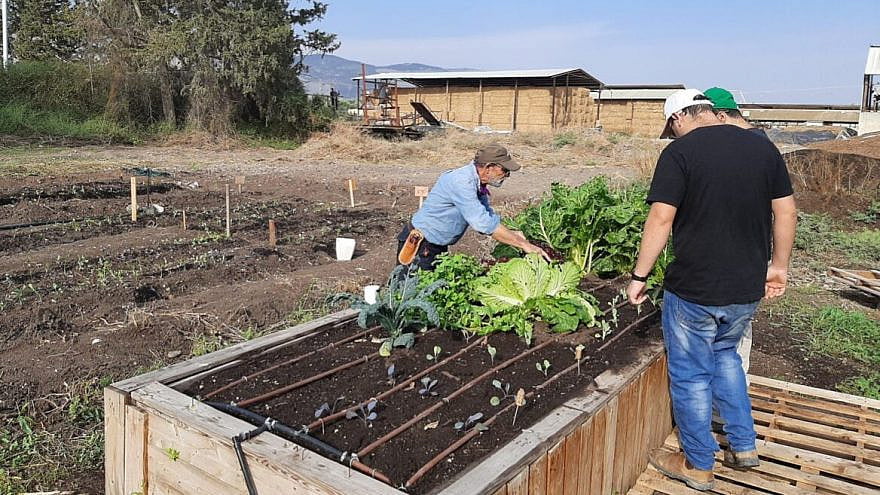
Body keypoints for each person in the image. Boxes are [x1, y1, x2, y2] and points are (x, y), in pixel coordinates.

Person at [627, 89, 797, 491]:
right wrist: (778, 268)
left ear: (679, 118)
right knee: (726, 358)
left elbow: (661, 216)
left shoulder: (680, 153)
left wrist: (639, 276)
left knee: (690, 376)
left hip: (696, 288)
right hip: (745, 286)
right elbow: (786, 211)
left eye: (671, 128)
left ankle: (699, 465)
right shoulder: (762, 148)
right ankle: (744, 446)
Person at [397, 144, 549, 270]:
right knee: (407, 296)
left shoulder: (477, 183)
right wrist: (522, 244)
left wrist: (513, 234)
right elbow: (481, 223)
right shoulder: (462, 182)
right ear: (489, 167)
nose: (507, 175)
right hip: (420, 245)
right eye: (504, 170)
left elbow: (487, 215)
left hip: (434, 246)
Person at [703, 86, 768, 377]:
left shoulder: (746, 147)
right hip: (750, 251)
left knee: (730, 336)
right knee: (736, 331)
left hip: (737, 254)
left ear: (719, 115)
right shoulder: (761, 142)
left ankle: (724, 410)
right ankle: (731, 401)